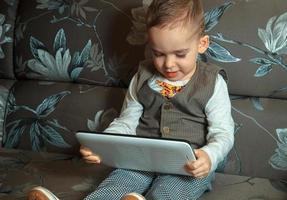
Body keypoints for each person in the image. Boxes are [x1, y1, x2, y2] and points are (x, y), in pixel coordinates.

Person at [28, 0, 234, 199]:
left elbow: (223, 133)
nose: (169, 64)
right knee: (115, 186)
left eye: (180, 54)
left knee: (167, 194)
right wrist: (103, 146)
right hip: (140, 160)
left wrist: (209, 156)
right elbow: (126, 122)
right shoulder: (142, 77)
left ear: (202, 44)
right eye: (158, 53)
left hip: (188, 168)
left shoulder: (212, 82)